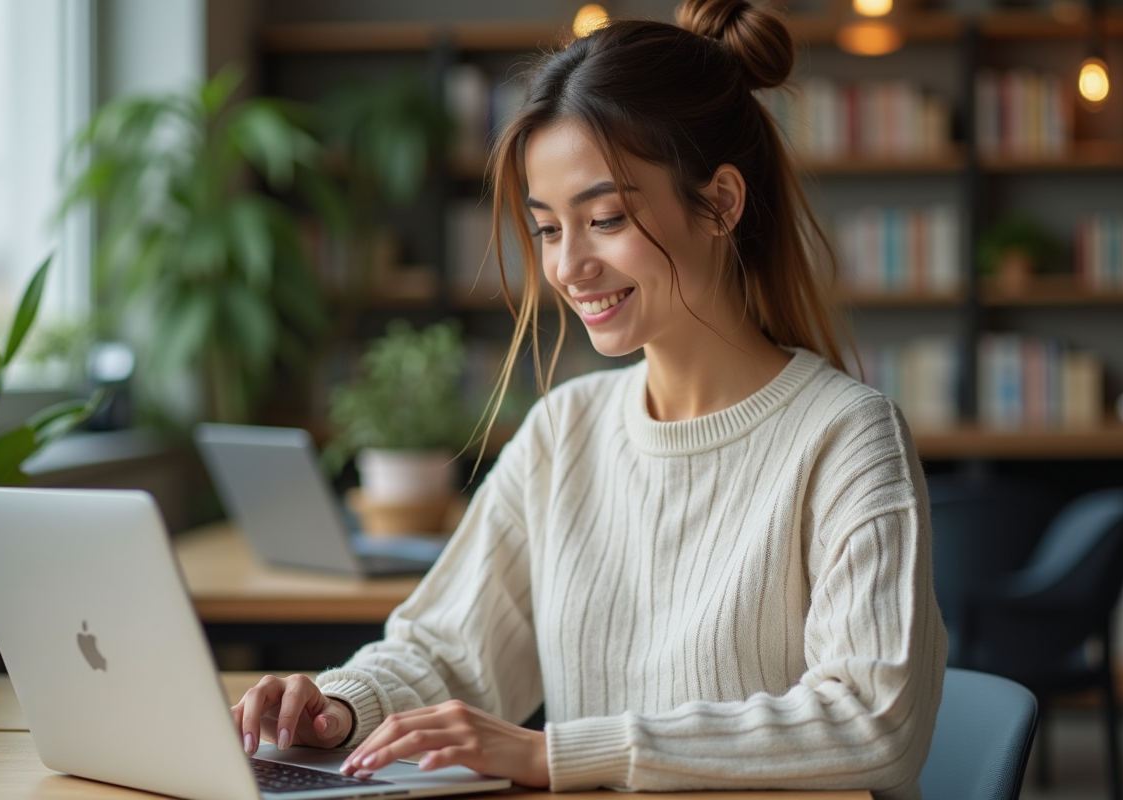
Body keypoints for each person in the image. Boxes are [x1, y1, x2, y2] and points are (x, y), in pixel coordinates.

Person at [232, 0, 948, 796]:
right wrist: (339, 706)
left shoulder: (847, 438)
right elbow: (450, 651)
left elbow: (871, 723)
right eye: (547, 228)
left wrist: (557, 755)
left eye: (605, 219)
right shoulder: (563, 429)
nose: (568, 266)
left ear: (721, 202)